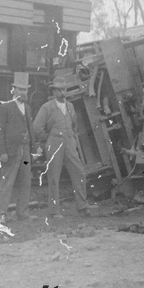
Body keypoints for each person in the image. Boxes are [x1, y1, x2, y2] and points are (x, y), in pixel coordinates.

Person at [32, 76, 92, 219]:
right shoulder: (47, 107)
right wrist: (48, 140)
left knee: (79, 172)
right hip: (54, 143)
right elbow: (36, 127)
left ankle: (82, 206)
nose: (62, 92)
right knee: (54, 177)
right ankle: (54, 211)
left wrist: (72, 140)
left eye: (64, 90)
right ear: (54, 91)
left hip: (69, 142)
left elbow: (74, 126)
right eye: (58, 90)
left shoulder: (70, 107)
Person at [0, 72, 38, 223]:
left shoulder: (28, 109)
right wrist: (2, 152)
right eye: (19, 89)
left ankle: (22, 213)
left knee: (25, 182)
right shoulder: (5, 107)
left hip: (25, 151)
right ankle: (0, 214)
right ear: (13, 90)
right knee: (7, 183)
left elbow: (31, 130)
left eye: (25, 90)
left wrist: (34, 149)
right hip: (11, 152)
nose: (22, 92)